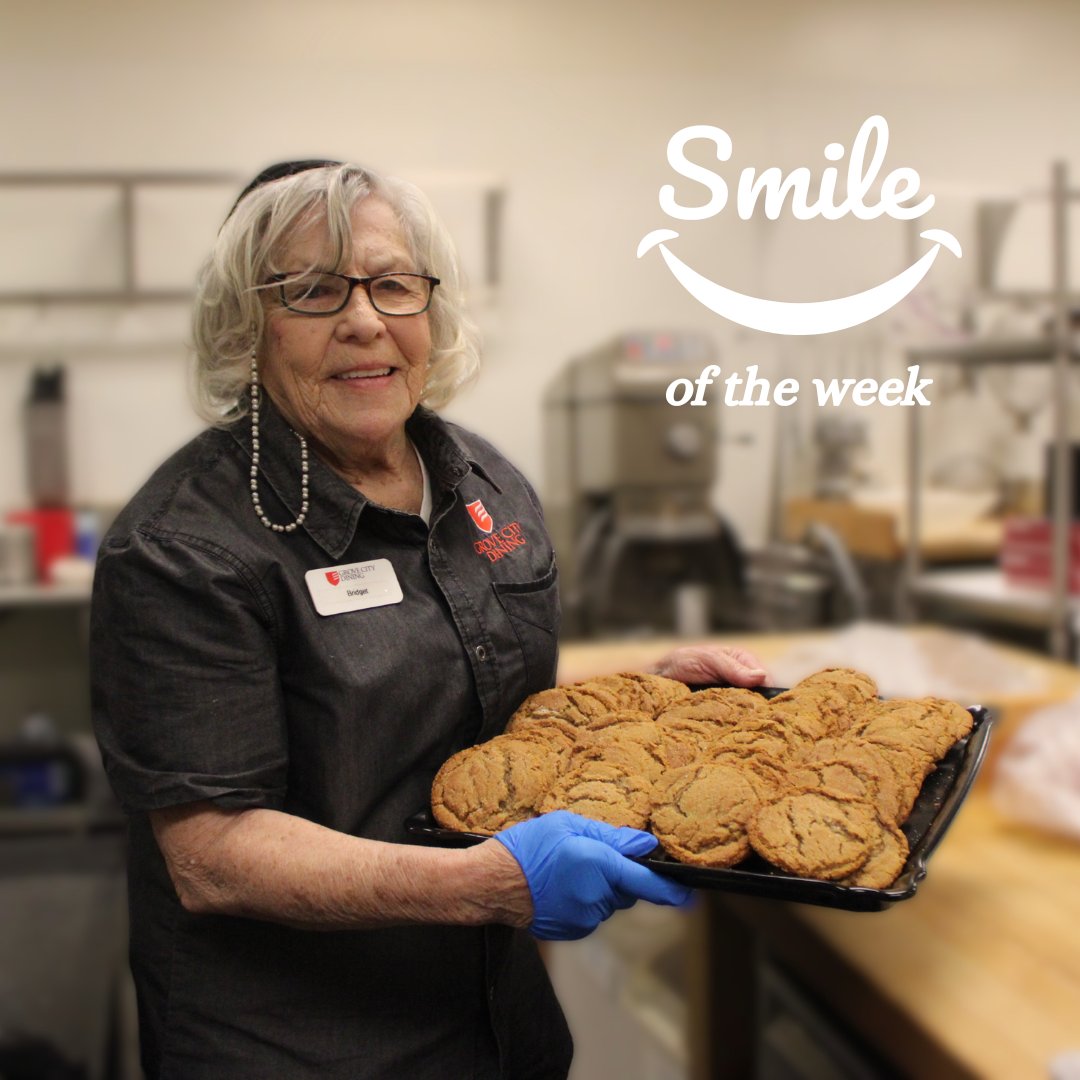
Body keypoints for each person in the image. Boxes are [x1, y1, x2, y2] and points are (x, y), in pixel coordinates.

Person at [90, 160, 768, 1080]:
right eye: (313, 289)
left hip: (498, 1027)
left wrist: (637, 702)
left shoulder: (484, 484)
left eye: (393, 284)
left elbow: (478, 701)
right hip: (302, 1047)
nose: (364, 318)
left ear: (430, 311)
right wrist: (492, 884)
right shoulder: (184, 549)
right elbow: (214, 853)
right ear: (248, 325)